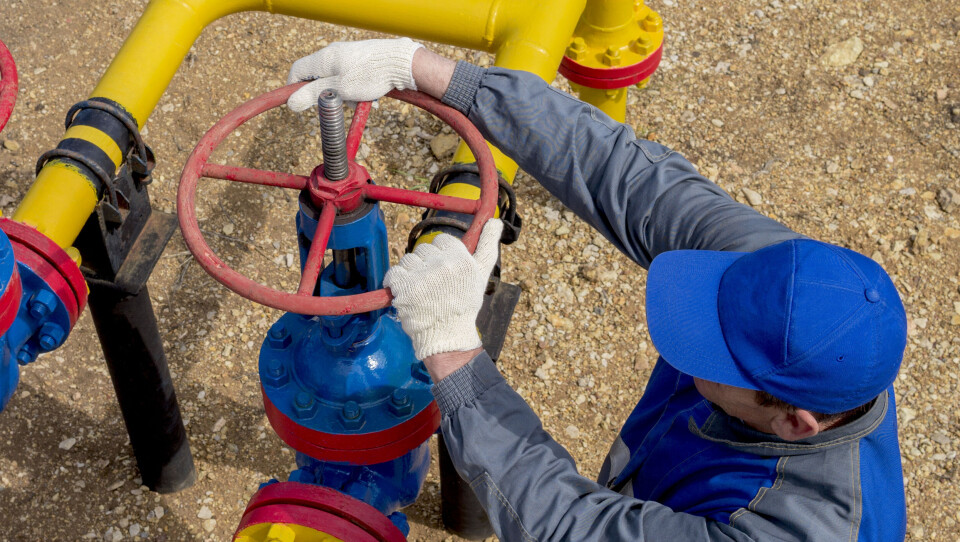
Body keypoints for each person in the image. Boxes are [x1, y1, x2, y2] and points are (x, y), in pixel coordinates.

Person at [286, 39, 908, 541]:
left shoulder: (797, 527)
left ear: (797, 425)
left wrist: (450, 349)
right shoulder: (788, 288)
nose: (685, 344)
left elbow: (570, 524)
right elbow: (625, 175)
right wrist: (426, 70)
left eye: (711, 353)